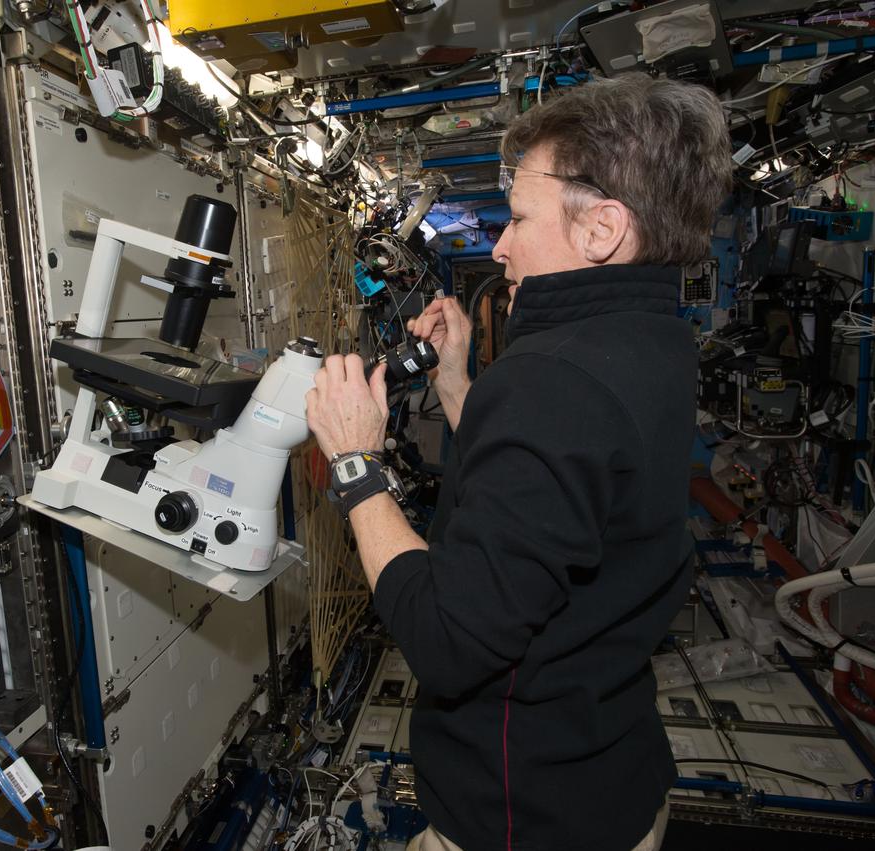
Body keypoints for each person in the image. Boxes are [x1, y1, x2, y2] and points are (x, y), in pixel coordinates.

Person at [304, 73, 733, 850]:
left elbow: (446, 640)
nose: (499, 244)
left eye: (517, 217)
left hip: (522, 816)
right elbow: (546, 496)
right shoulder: (650, 342)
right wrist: (459, 381)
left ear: (601, 227)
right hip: (607, 776)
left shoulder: (553, 380)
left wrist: (356, 465)